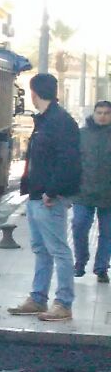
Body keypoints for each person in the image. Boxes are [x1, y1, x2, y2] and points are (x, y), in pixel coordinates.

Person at [8, 73, 82, 321]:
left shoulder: (60, 121)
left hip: (50, 197)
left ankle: (63, 303)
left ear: (34, 94)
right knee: (41, 249)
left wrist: (53, 191)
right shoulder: (45, 120)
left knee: (58, 250)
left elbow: (68, 161)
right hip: (37, 196)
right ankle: (38, 298)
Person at [73, 98, 111, 282]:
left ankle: (101, 268)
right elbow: (72, 163)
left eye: (106, 113)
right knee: (79, 226)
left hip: (109, 195)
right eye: (100, 113)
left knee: (108, 233)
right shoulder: (81, 135)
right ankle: (80, 262)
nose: (103, 116)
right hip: (83, 192)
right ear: (94, 114)